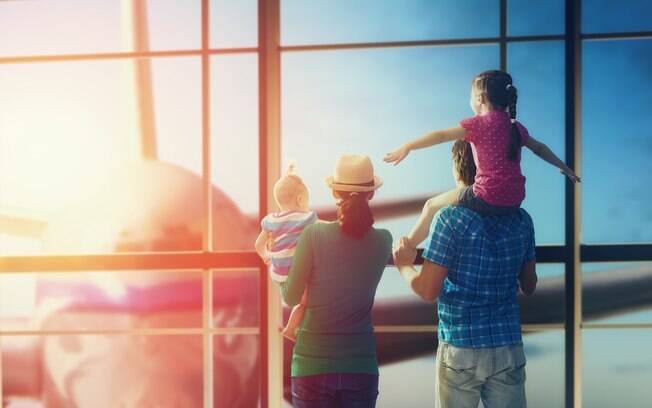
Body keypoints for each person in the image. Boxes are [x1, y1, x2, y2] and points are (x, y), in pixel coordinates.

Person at [393, 139, 538, 408]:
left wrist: (404, 265)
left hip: (460, 345)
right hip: (507, 344)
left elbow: (427, 290)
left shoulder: (449, 219)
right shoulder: (522, 220)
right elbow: (529, 285)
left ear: (458, 170)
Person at [384, 69, 580, 249]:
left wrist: (408, 146)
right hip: (514, 199)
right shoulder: (515, 127)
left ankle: (406, 247)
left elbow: (441, 135)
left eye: (470, 96)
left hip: (487, 196)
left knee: (431, 205)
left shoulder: (478, 124)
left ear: (480, 98)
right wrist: (564, 167)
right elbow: (539, 148)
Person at [280, 155, 392, 407]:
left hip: (311, 364)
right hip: (360, 365)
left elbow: (290, 296)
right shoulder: (384, 240)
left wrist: (274, 265)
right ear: (371, 194)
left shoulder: (314, 234)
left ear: (334, 192)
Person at [255, 164, 318, 341]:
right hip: (295, 273)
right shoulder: (305, 218)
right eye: (306, 200)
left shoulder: (270, 220)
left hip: (277, 273)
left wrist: (266, 255)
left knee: (297, 300)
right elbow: (323, 227)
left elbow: (258, 244)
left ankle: (293, 328)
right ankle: (290, 329)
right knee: (305, 302)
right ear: (300, 200)